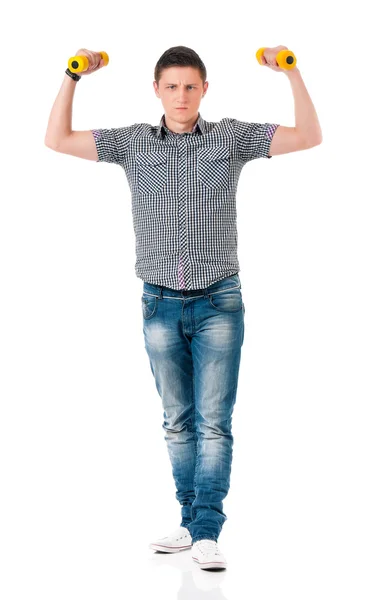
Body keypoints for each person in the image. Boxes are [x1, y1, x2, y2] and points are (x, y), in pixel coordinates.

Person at [45, 44, 322, 570]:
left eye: (190, 86)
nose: (181, 96)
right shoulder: (132, 143)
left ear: (205, 89)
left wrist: (292, 72)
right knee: (177, 421)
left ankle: (207, 530)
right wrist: (72, 75)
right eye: (171, 86)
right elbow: (56, 139)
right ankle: (191, 522)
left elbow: (309, 136)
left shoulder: (230, 137)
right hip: (158, 304)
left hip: (219, 299)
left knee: (214, 423)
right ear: (156, 90)